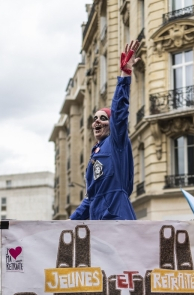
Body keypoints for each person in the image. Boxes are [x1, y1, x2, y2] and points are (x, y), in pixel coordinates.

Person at [70, 40, 141, 221]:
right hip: (98, 224)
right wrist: (69, 222)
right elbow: (90, 198)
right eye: (94, 119)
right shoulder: (95, 153)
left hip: (118, 219)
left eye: (103, 118)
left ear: (111, 124)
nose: (96, 122)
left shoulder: (117, 142)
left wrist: (125, 76)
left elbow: (118, 113)